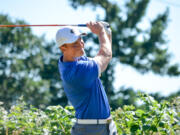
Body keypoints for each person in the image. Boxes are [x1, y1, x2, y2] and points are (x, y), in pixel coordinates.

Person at [56, 21, 117, 135]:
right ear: (63, 48)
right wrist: (101, 32)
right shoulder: (76, 73)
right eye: (75, 43)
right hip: (91, 129)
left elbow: (104, 56)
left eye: (81, 39)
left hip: (103, 126)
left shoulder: (76, 60)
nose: (81, 45)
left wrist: (107, 33)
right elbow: (105, 55)